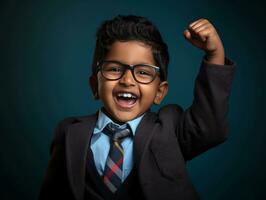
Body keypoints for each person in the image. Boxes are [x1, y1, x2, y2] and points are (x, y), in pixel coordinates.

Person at [39, 15, 235, 200]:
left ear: (160, 92)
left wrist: (215, 54)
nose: (127, 80)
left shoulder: (170, 128)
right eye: (115, 69)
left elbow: (210, 128)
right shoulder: (69, 132)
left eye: (142, 72)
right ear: (94, 86)